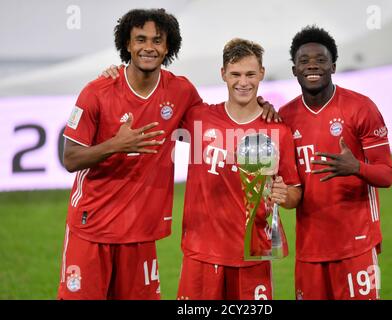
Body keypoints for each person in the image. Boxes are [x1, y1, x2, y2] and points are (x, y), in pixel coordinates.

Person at [58, 9, 278, 300]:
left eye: (157, 40)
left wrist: (256, 105)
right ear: (127, 44)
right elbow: (70, 158)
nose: (149, 47)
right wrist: (116, 145)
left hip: (140, 234)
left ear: (168, 47)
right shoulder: (97, 92)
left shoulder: (180, 91)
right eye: (140, 39)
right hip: (92, 227)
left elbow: (214, 122)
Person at [176, 38, 301, 300]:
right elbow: (158, 98)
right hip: (201, 253)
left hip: (252, 255)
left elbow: (293, 195)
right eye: (235, 74)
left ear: (262, 74)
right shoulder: (197, 118)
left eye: (250, 74)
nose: (243, 82)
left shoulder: (278, 131)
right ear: (223, 74)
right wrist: (118, 73)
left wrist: (283, 195)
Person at [279, 25, 392, 300]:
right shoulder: (285, 117)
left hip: (356, 243)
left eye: (320, 60)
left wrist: (357, 168)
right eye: (304, 61)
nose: (312, 66)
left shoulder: (360, 107)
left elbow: (387, 175)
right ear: (294, 69)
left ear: (333, 66)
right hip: (310, 249)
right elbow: (293, 187)